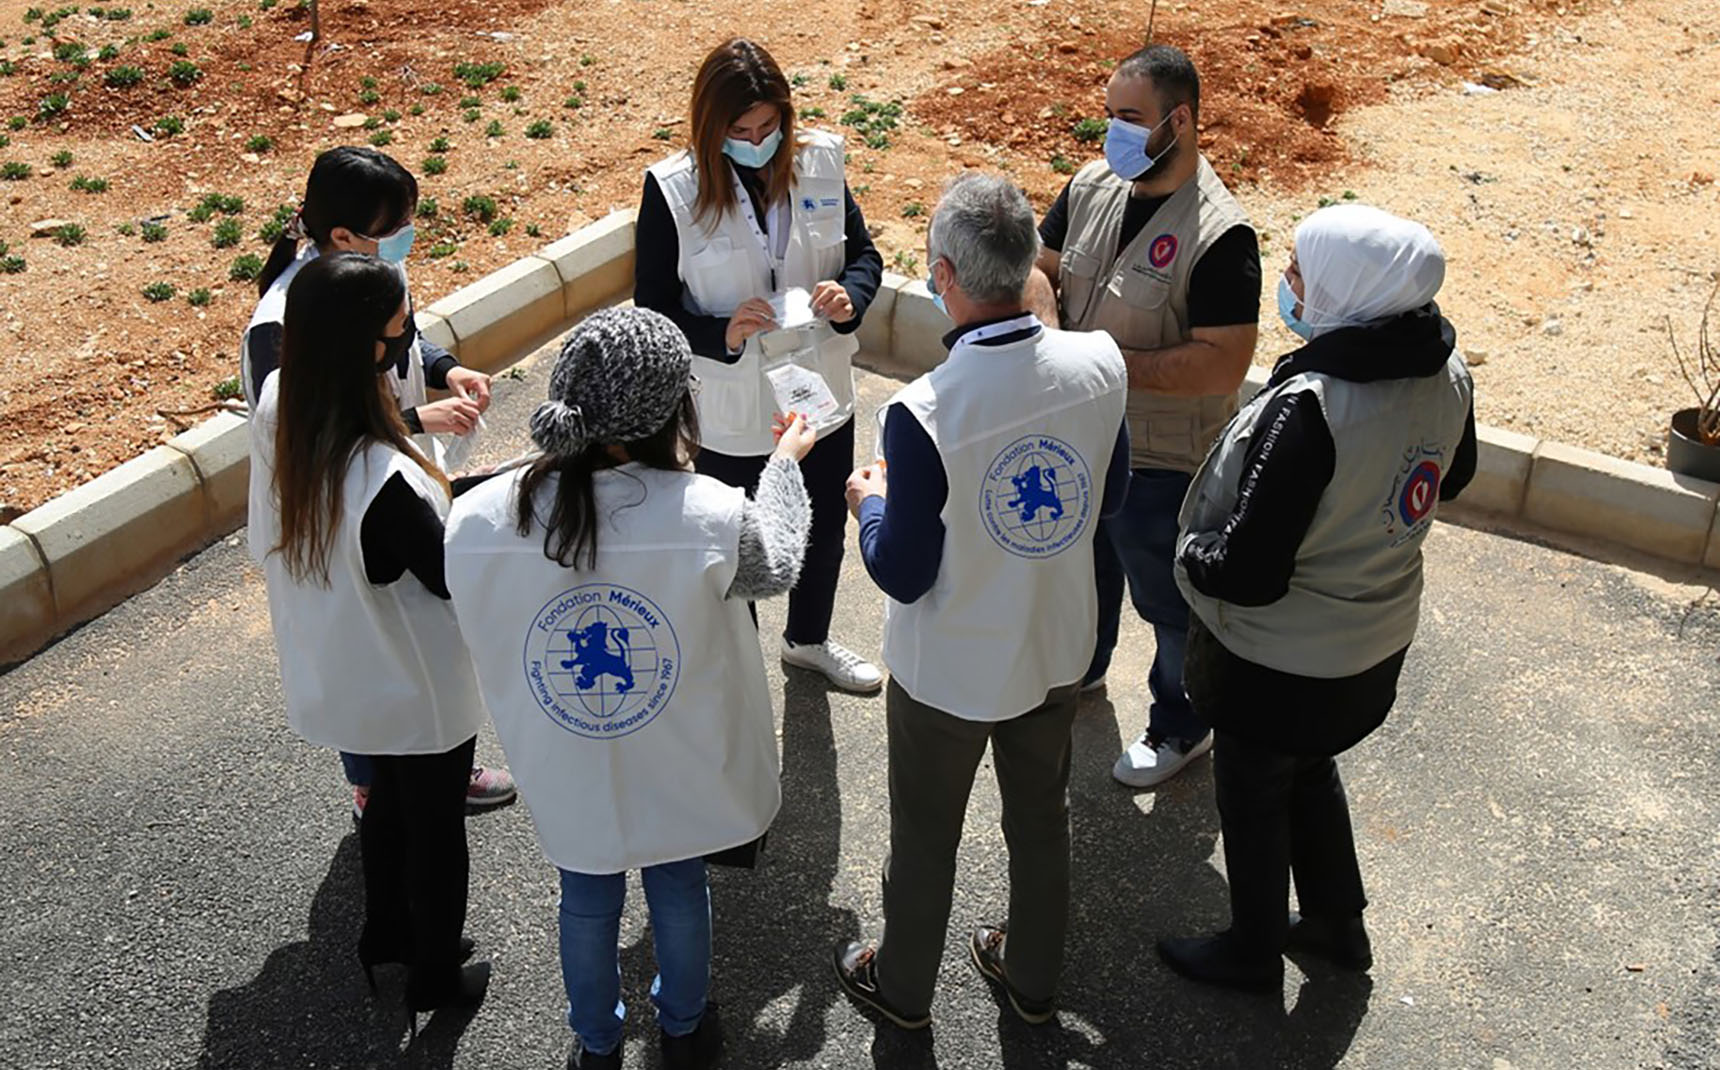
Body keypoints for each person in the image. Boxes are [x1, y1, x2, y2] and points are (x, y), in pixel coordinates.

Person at [445, 308, 816, 1069]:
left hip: (566, 753)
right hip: (676, 756)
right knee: (678, 884)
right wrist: (785, 463)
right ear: (672, 408)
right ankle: (682, 1027)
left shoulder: (481, 513)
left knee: (585, 896)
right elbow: (775, 564)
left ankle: (597, 1042)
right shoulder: (710, 512)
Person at [833, 174, 1129, 1028]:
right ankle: (1032, 979)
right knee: (1041, 823)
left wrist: (871, 507)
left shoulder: (924, 412)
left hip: (950, 671)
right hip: (1054, 650)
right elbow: (1107, 503)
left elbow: (903, 572)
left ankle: (903, 988)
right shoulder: (1099, 364)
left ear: (944, 276)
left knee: (927, 837)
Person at [1156, 205, 1477, 990]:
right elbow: (1453, 477)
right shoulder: (1447, 370)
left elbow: (1250, 572)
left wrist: (1193, 555)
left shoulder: (1314, 406)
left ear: (1350, 290)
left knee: (1256, 793)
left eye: (1300, 271)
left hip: (1280, 664)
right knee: (1308, 768)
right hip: (1373, 645)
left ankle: (1252, 951)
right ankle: (1338, 925)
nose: (1289, 285)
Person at [246, 252, 491, 1027]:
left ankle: (382, 933)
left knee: (384, 802)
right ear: (363, 349)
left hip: (341, 661)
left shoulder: (285, 398)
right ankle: (434, 974)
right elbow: (453, 575)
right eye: (394, 333)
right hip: (413, 679)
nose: (403, 343)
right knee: (435, 829)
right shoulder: (381, 475)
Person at [241, 145, 516, 820]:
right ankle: (374, 784)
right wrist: (417, 417)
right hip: (348, 518)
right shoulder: (280, 326)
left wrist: (443, 369)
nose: (405, 240)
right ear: (342, 236)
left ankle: (434, 767)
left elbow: (403, 340)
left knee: (419, 647)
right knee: (368, 659)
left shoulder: (369, 274)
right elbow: (305, 430)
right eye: (395, 227)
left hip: (393, 485)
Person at [1035, 44, 1262, 789]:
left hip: (1163, 460)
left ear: (1181, 120)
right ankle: (1082, 672)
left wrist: (1099, 363)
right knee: (1080, 570)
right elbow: (1041, 268)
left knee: (1169, 607)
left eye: (1130, 118)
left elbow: (1222, 361)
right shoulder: (1093, 184)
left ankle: (1181, 726)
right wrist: (1045, 336)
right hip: (1082, 435)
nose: (1113, 133)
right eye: (1109, 116)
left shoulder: (1220, 234)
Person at [634, 37, 886, 693]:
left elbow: (864, 257)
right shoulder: (672, 190)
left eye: (768, 127)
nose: (755, 140)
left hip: (816, 393)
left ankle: (809, 641)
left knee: (824, 528)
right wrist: (721, 329)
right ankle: (737, 664)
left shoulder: (821, 162)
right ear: (710, 126)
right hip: (731, 411)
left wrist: (849, 294)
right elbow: (654, 307)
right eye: (739, 131)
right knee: (734, 542)